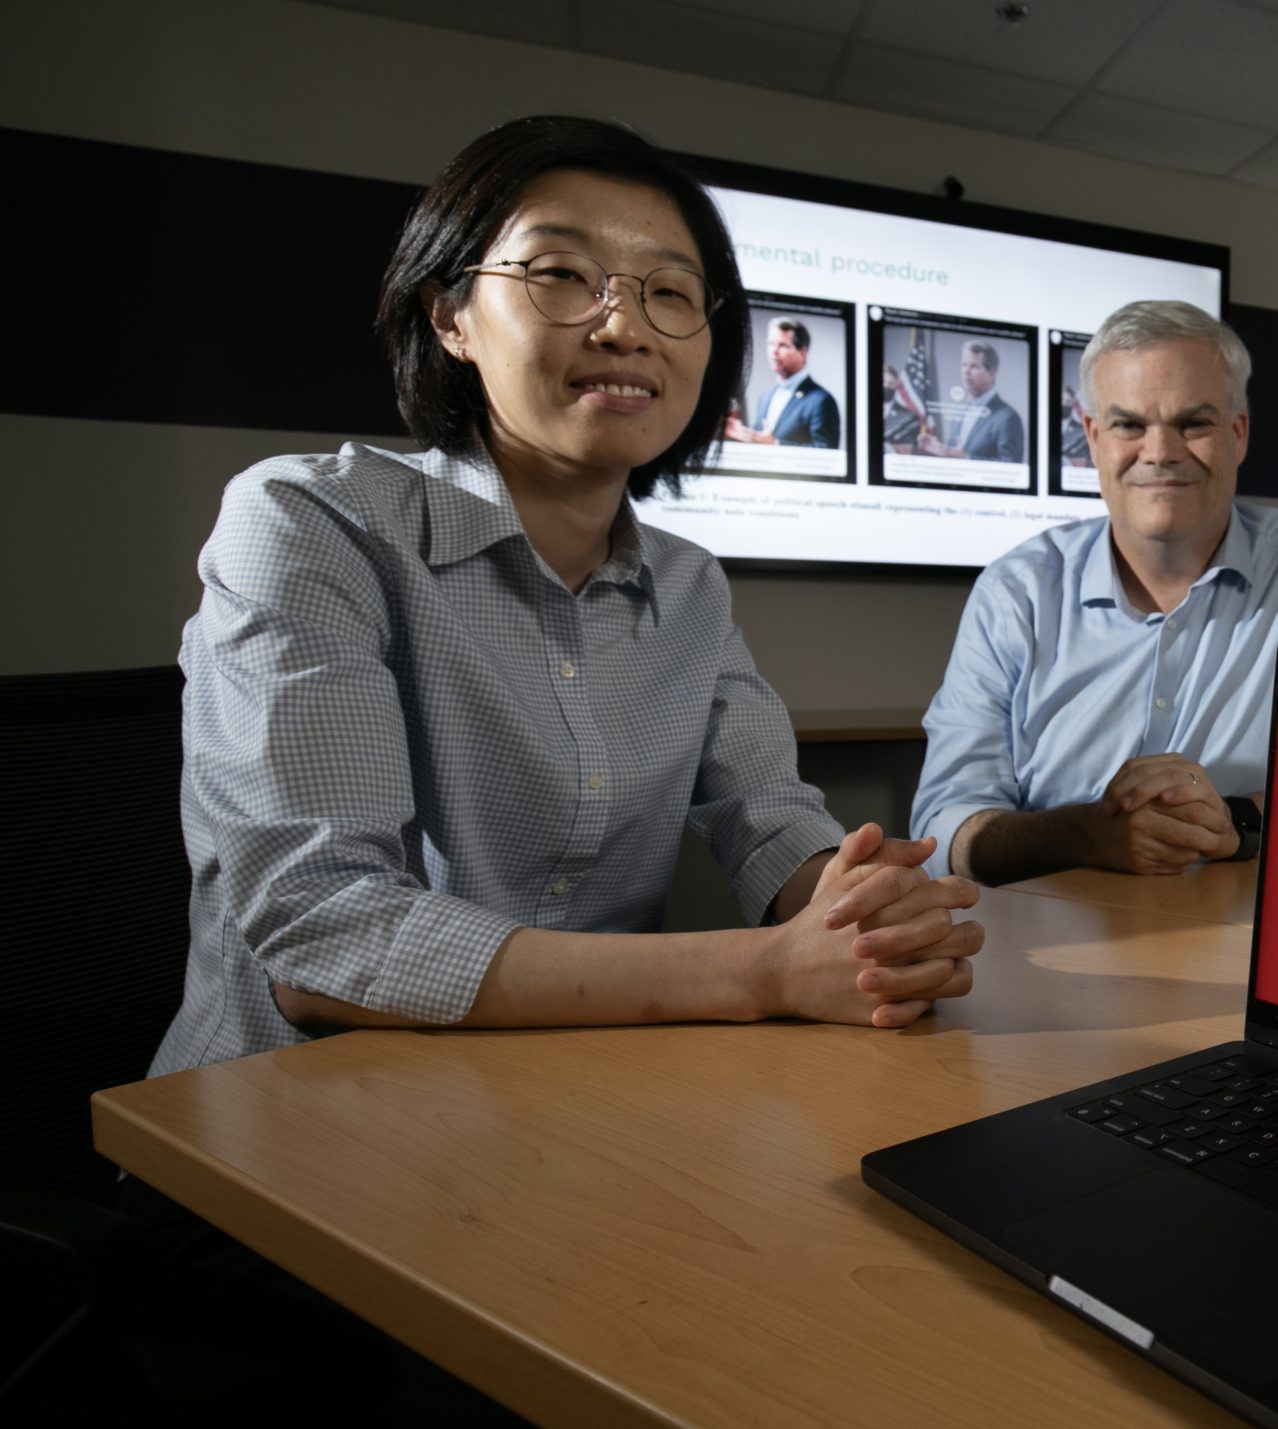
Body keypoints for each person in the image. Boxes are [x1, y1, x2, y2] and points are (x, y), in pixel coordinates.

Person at [155, 115, 979, 1080]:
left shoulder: (689, 584)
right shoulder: (309, 523)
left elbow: (774, 821)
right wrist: (760, 972)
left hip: (570, 1104)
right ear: (449, 315)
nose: (625, 326)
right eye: (561, 276)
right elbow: (324, 939)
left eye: (670, 292)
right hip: (285, 1130)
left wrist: (861, 905)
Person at [913, 299, 1278, 884]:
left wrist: (1236, 824)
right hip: (1045, 947)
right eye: (1128, 425)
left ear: (1237, 434)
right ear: (1092, 439)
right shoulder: (1016, 594)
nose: (1160, 452)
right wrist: (1085, 833)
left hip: (1237, 943)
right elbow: (943, 833)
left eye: (1194, 423)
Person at [724, 314, 840, 447]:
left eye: (783, 345)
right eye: (770, 344)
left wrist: (776, 444)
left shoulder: (821, 400)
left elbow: (826, 452)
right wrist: (743, 433)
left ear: (803, 353)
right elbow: (761, 440)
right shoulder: (765, 398)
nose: (774, 351)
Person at [921, 338, 1025, 463]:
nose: (966, 371)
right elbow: (954, 454)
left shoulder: (1008, 417)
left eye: (974, 366)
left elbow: (1011, 466)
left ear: (991, 373)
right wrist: (938, 449)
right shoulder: (959, 413)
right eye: (964, 365)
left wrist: (967, 458)